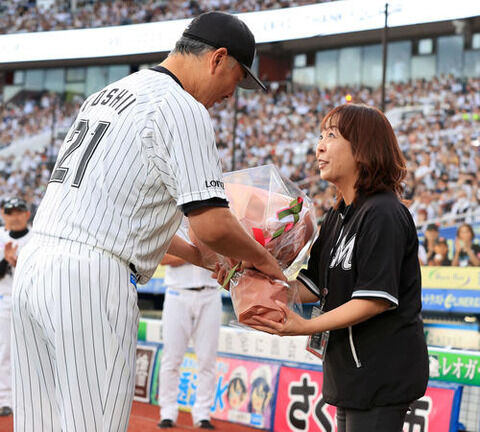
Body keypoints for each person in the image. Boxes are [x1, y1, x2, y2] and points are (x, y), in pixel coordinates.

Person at [11, 11, 284, 432]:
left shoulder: (109, 93)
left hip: (36, 269)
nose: (233, 92)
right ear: (217, 59)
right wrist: (266, 261)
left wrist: (199, 257)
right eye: (237, 77)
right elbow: (212, 224)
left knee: (40, 425)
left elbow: (122, 213)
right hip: (91, 280)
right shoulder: (183, 107)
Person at [247, 104, 429, 432]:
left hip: (380, 374)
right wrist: (244, 277)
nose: (319, 146)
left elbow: (375, 299)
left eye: (332, 136)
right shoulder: (337, 216)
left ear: (363, 148)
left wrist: (303, 326)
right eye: (321, 135)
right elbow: (310, 286)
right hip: (348, 373)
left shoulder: (383, 212)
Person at [158, 231, 222, 429]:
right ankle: (167, 412)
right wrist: (196, 255)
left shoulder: (214, 222)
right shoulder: (173, 224)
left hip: (210, 293)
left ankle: (203, 414)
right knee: (172, 357)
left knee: (208, 359)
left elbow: (220, 257)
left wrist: (195, 255)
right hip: (178, 292)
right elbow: (163, 258)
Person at [0, 198, 31, 417]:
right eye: (11, 212)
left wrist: (16, 262)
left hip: (32, 299)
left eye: (19, 211)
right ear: (4, 215)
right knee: (5, 353)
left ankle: (30, 397)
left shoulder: (37, 236)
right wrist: (6, 261)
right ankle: (5, 399)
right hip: (6, 299)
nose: (15, 216)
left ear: (27, 214)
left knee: (32, 351)